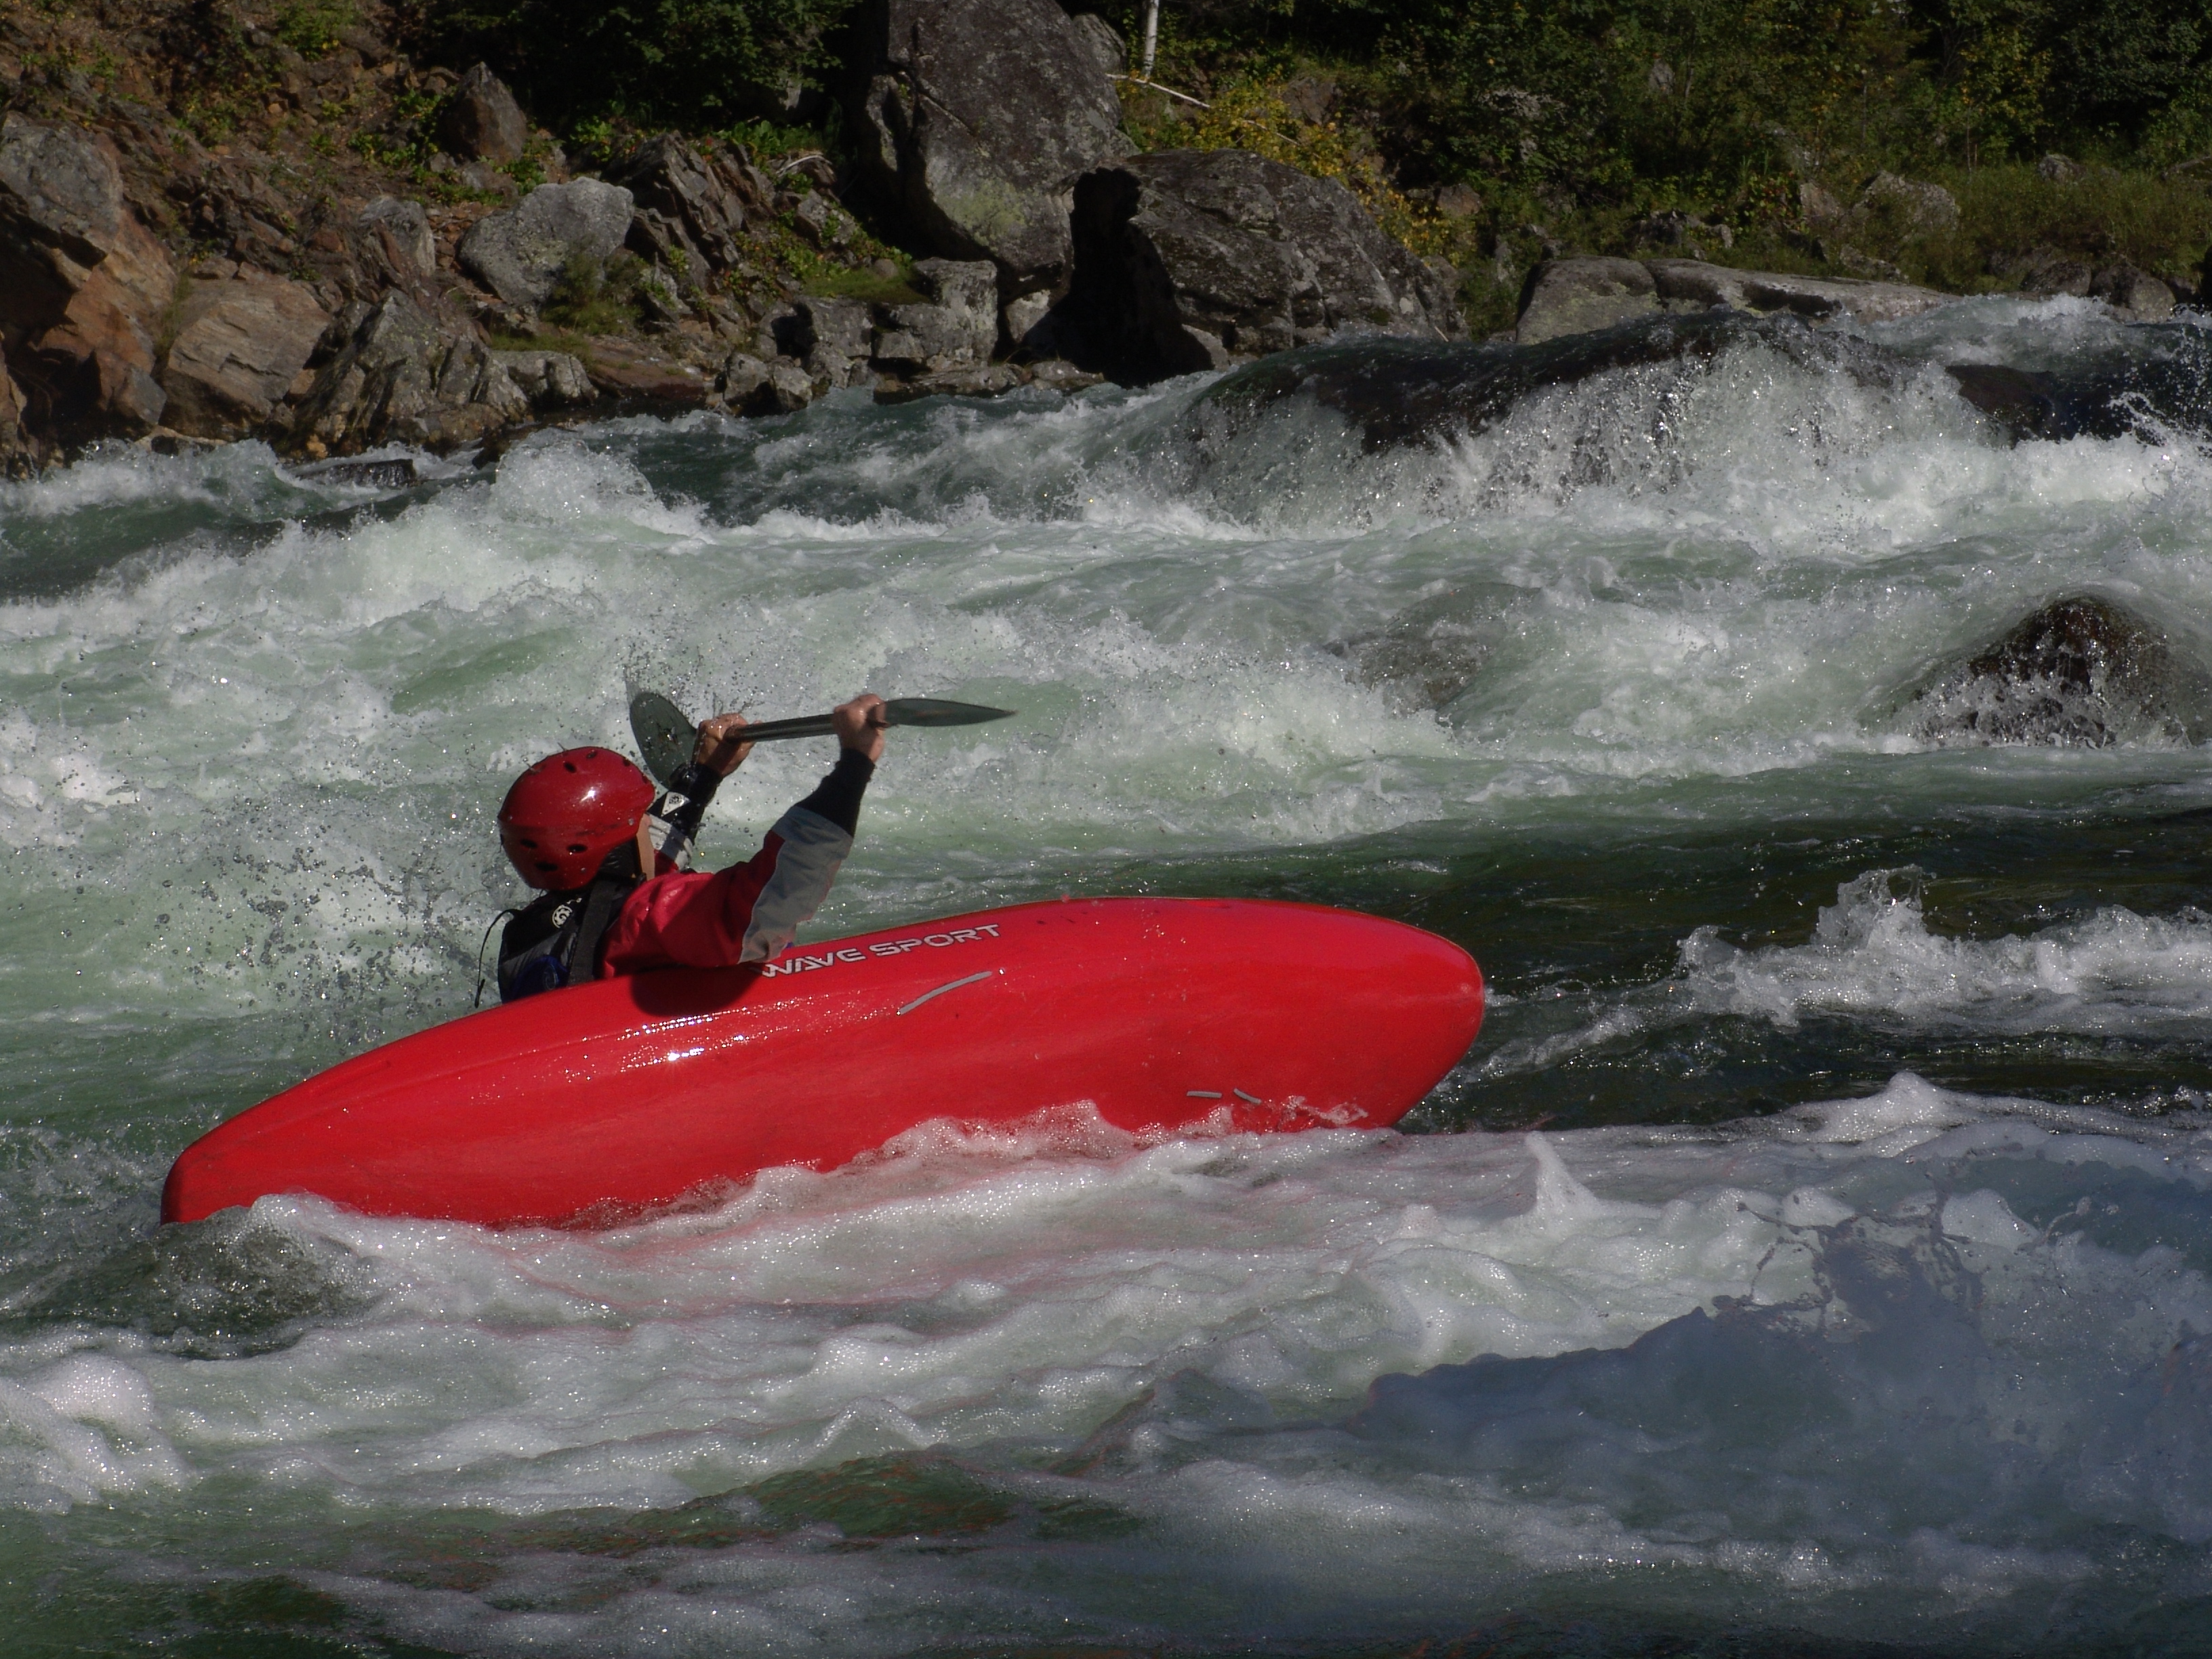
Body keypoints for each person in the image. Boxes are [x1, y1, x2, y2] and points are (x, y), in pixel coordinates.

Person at [490, 695, 886, 1003]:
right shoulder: (643, 922)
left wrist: (705, 775)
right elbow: (772, 897)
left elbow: (649, 854)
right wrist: (855, 764)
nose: (650, 824)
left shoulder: (535, 930)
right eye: (642, 820)